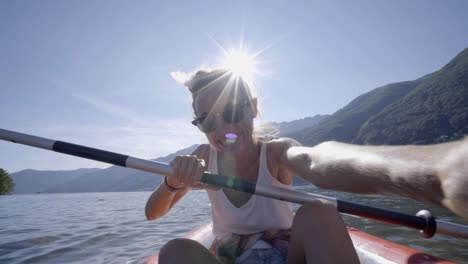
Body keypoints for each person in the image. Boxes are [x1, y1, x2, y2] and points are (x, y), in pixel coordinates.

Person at [145, 68, 468, 264]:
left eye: (230, 111)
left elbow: (318, 161)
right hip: (230, 256)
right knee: (176, 251)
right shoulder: (202, 156)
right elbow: (153, 213)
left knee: (319, 211)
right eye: (206, 120)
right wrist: (174, 182)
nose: (222, 129)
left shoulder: (275, 153)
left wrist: (435, 172)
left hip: (288, 255)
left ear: (253, 108)